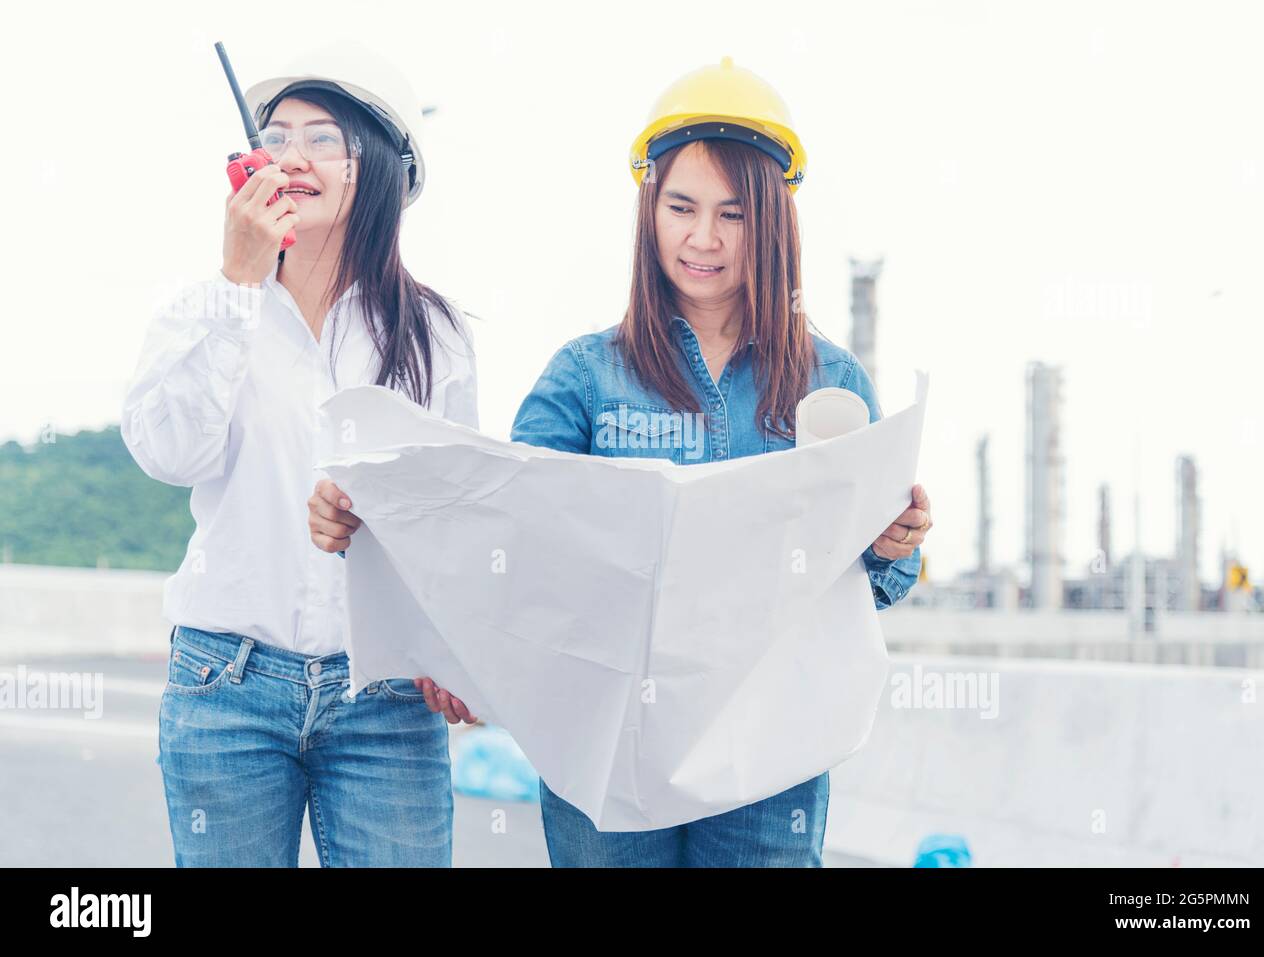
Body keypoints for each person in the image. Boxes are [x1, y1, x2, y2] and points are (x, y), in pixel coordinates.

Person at [308, 57, 932, 867]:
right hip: (601, 752)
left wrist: (893, 543)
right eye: (680, 207)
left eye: (733, 214)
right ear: (649, 210)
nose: (702, 238)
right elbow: (500, 534)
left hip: (767, 762)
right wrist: (373, 516)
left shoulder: (831, 382)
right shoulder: (584, 375)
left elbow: (873, 584)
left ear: (774, 222)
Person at [121, 44, 476, 867]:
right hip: (225, 687)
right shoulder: (202, 305)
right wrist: (237, 286)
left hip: (385, 696)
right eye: (276, 136)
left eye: (324, 139)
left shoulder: (438, 335)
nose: (292, 156)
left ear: (381, 169)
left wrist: (448, 644)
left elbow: (456, 516)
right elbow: (169, 453)